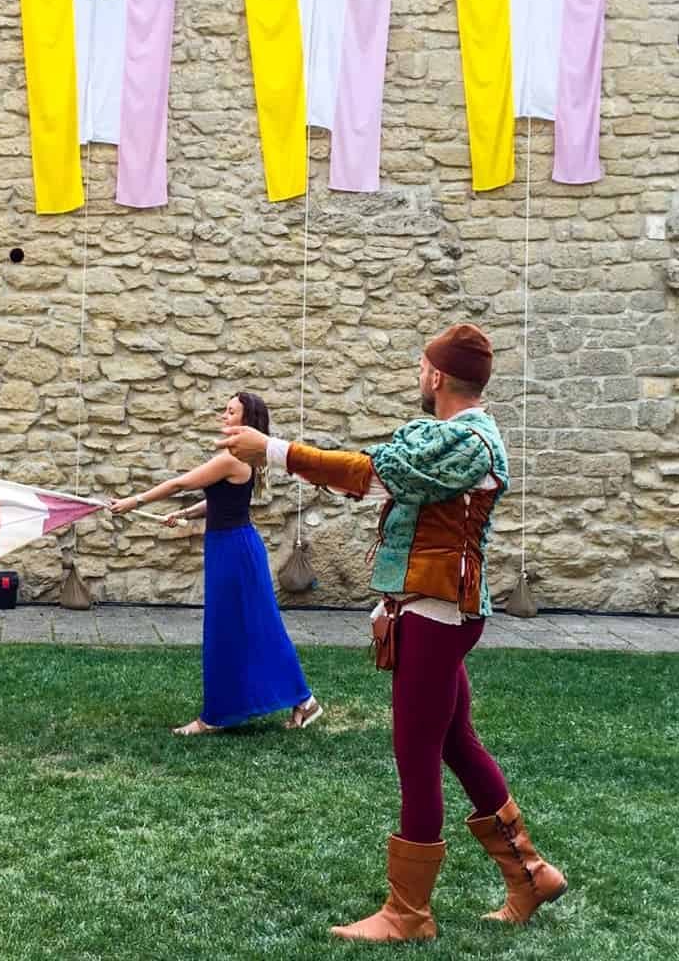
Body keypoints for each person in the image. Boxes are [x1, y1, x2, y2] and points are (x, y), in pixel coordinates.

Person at [218, 325, 567, 943]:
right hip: (428, 607)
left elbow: (380, 475)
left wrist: (273, 450)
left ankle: (409, 914)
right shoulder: (445, 439)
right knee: (455, 741)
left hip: (439, 610)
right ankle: (530, 873)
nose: (418, 374)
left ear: (436, 376)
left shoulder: (469, 441)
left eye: (421, 366)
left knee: (416, 754)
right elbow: (384, 470)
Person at [110, 392, 324, 735]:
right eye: (224, 410)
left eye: (231, 412)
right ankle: (300, 701)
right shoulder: (242, 458)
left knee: (234, 630)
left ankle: (217, 717)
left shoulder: (231, 458)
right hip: (232, 547)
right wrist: (185, 513)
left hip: (234, 552)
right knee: (248, 628)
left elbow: (182, 482)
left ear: (245, 421)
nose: (223, 416)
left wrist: (133, 502)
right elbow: (222, 500)